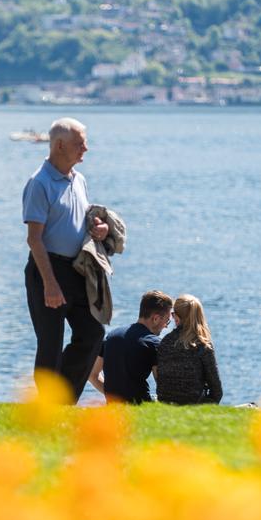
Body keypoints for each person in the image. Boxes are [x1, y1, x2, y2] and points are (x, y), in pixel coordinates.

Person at [23, 117, 111, 402]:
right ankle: (49, 407)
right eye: (79, 143)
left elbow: (78, 220)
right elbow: (34, 239)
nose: (85, 148)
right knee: (49, 345)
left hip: (76, 270)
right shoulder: (40, 183)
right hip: (46, 270)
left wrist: (98, 229)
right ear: (60, 145)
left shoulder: (79, 179)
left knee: (92, 333)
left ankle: (62, 400)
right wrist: (49, 284)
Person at [89, 290, 172, 404]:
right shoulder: (154, 343)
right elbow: (164, 389)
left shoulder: (111, 336)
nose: (166, 326)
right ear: (156, 318)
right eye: (167, 321)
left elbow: (92, 375)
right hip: (141, 407)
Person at [155, 294, 223, 405]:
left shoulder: (165, 342)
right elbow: (217, 391)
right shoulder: (202, 344)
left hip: (166, 406)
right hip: (194, 406)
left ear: (176, 317)